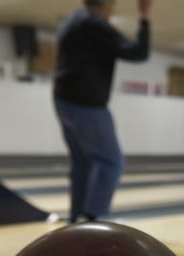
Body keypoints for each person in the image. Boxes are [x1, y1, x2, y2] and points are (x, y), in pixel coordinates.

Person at [54, 0, 152, 223]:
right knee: (111, 162)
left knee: (83, 164)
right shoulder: (93, 24)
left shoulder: (73, 21)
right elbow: (139, 52)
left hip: (64, 102)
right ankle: (90, 220)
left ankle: (75, 220)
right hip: (86, 105)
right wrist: (144, 17)